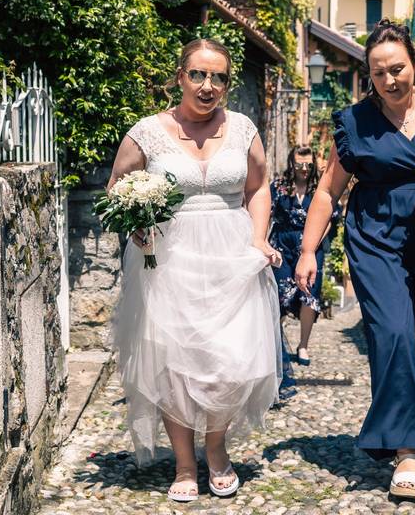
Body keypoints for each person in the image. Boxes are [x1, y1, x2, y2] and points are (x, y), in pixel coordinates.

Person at [295, 19, 415, 499]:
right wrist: (309, 249)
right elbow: (327, 190)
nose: (390, 80)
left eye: (397, 68)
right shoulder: (355, 123)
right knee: (392, 330)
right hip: (374, 233)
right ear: (369, 76)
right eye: (379, 73)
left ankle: (393, 421)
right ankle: (407, 453)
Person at [107, 39, 283, 502]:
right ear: (181, 76)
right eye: (199, 75)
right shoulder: (147, 132)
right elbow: (117, 190)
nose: (209, 86)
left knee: (230, 361)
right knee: (175, 363)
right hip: (168, 260)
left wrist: (259, 238)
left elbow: (259, 186)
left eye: (220, 77)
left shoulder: (243, 128)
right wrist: (136, 229)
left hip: (231, 254)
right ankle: (185, 464)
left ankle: (218, 450)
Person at [269, 146, 338, 366]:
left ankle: (303, 345)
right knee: (279, 294)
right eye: (300, 164)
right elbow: (265, 211)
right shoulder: (279, 186)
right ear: (292, 163)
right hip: (281, 245)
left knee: (309, 295)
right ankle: (274, 345)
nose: (304, 169)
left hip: (311, 247)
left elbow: (329, 218)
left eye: (308, 164)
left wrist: (312, 243)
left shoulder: (319, 187)